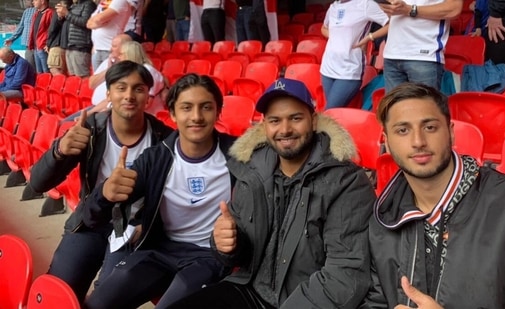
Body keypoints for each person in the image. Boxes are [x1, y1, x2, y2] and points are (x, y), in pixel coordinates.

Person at [171, 77, 376, 308]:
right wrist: (226, 244)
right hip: (248, 288)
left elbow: (345, 274)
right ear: (264, 125)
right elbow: (240, 251)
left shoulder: (346, 181)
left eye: (296, 118)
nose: (285, 129)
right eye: (275, 120)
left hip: (303, 302)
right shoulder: (253, 170)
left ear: (313, 120)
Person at [362, 82, 505, 308]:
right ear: (387, 143)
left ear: (451, 133)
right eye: (403, 130)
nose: (418, 141)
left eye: (430, 127)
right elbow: (375, 301)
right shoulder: (384, 216)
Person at [82, 74, 235, 308]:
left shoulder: (238, 156)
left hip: (208, 256)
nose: (196, 116)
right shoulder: (156, 158)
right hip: (160, 249)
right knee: (98, 304)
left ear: (218, 112)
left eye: (206, 107)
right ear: (173, 114)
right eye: (186, 107)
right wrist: (105, 193)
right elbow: (93, 216)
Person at [29, 61, 173, 304]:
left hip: (134, 232)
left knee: (105, 300)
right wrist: (60, 152)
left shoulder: (166, 139)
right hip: (89, 222)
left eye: (138, 89)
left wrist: (150, 227)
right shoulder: (90, 130)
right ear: (108, 94)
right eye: (120, 87)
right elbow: (38, 183)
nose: (129, 95)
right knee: (58, 293)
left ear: (148, 98)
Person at [377, 0, 462, 92]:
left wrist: (410, 9)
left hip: (424, 54)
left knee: (423, 105)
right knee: (393, 106)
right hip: (392, 52)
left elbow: (454, 8)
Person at [320, 0, 388, 109]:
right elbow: (323, 28)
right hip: (327, 67)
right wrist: (337, 37)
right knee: (336, 112)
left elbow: (390, 23)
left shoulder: (365, 4)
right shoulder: (333, 7)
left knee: (330, 111)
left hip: (349, 69)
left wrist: (369, 37)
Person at [88, 39, 167, 116]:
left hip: (146, 117)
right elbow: (110, 100)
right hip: (126, 113)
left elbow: (147, 103)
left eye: (121, 54)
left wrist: (111, 111)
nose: (119, 57)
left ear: (130, 54)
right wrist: (89, 113)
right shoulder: (128, 71)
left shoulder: (148, 70)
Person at [87, 0, 141, 70]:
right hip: (97, 48)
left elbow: (98, 19)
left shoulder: (120, 1)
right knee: (97, 79)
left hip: (110, 49)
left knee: (110, 78)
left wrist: (96, 22)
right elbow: (88, 24)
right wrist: (95, 23)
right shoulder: (103, 2)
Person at [55, 0, 97, 77]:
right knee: (73, 79)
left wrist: (67, 13)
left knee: (82, 77)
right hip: (69, 46)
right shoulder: (73, 6)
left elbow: (85, 22)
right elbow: (66, 23)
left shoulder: (89, 4)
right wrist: (60, 17)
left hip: (80, 46)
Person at [4, 0, 36, 70]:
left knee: (42, 70)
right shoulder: (27, 11)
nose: (24, 2)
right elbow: (21, 26)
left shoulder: (41, 11)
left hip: (39, 46)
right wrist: (11, 39)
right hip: (28, 46)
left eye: (26, 0)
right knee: (30, 67)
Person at [28, 0, 54, 74]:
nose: (33, 2)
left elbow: (53, 30)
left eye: (35, 0)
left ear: (42, 1)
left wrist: (48, 43)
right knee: (39, 72)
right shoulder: (36, 14)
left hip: (43, 46)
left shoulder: (50, 13)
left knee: (46, 71)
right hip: (37, 47)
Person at [46, 0, 70, 76]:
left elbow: (52, 29)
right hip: (67, 46)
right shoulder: (72, 11)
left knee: (55, 71)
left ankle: (63, 88)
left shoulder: (60, 10)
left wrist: (48, 44)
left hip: (57, 45)